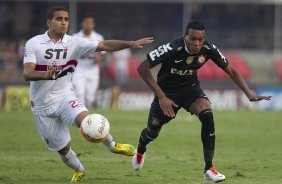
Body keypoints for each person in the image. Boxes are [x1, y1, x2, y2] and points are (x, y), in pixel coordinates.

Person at [23, 6, 153, 182]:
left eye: (66, 19)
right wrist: (44, 74)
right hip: (41, 106)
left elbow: (104, 45)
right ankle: (79, 170)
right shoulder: (34, 43)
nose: (63, 23)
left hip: (64, 96)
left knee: (88, 121)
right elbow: (27, 73)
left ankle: (113, 145)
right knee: (63, 149)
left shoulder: (75, 42)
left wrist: (129, 44)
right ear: (49, 22)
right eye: (59, 19)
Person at [132, 21, 271, 183]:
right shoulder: (172, 47)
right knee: (152, 130)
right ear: (185, 36)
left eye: (200, 39)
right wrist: (162, 97)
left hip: (190, 89)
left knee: (207, 114)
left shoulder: (208, 49)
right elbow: (142, 68)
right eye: (192, 39)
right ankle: (141, 150)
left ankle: (209, 169)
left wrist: (248, 93)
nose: (197, 43)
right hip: (166, 92)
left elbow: (231, 71)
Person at [72, 14, 105, 108]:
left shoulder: (98, 37)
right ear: (82, 23)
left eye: (90, 23)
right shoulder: (76, 37)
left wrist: (99, 59)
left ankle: (86, 116)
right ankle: (81, 117)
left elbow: (103, 54)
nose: (88, 25)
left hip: (93, 70)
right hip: (78, 69)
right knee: (79, 94)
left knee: (90, 98)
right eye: (86, 22)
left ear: (93, 24)